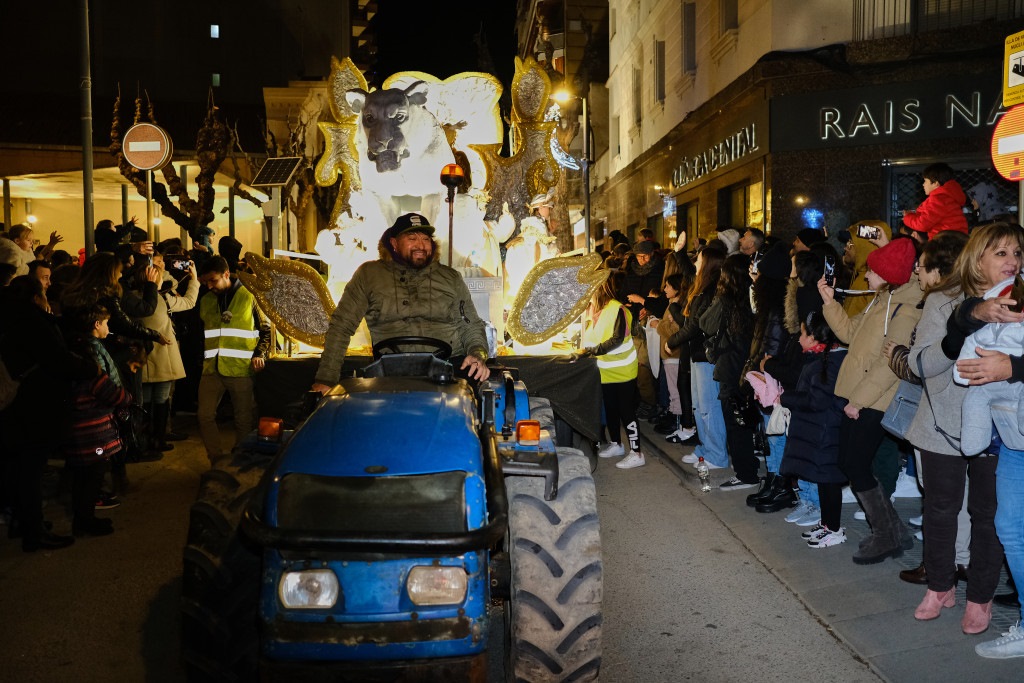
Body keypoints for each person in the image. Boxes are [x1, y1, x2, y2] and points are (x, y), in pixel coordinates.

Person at [888, 227, 1004, 635]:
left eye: (1017, 253)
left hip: (998, 428)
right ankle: (940, 587)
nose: (1010, 261)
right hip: (940, 425)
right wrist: (958, 335)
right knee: (939, 511)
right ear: (976, 257)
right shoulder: (942, 300)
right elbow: (920, 364)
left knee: (986, 516)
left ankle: (981, 598)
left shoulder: (1018, 301)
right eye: (999, 252)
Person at [818, 237, 922, 564]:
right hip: (861, 394)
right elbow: (850, 334)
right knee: (853, 463)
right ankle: (893, 531)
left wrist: (858, 401)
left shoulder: (904, 308)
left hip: (875, 398)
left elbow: (889, 363)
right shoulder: (883, 298)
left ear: (888, 273)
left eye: (872, 270)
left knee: (855, 464)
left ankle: (885, 535)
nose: (866, 276)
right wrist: (830, 302)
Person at [313, 213, 490, 392]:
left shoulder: (450, 277)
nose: (420, 245)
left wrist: (477, 354)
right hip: (390, 371)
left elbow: (471, 325)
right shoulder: (369, 274)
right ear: (394, 243)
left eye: (426, 239)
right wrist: (326, 379)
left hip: (447, 368)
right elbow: (341, 326)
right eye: (412, 238)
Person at [0, 276, 96, 551]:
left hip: (12, 405)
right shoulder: (31, 322)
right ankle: (33, 531)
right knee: (30, 471)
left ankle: (23, 522)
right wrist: (90, 369)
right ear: (35, 298)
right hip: (34, 406)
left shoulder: (9, 318)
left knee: (17, 467)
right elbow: (57, 360)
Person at [778, 312, 848, 547]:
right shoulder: (824, 359)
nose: (799, 339)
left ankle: (835, 529)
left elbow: (817, 400)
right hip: (821, 431)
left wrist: (784, 398)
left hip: (827, 432)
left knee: (829, 482)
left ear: (817, 337)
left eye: (803, 333)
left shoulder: (829, 362)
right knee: (823, 481)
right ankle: (827, 523)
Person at [63, 303, 132, 538]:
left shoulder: (69, 360)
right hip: (94, 433)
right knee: (93, 476)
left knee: (81, 477)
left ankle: (82, 518)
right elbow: (109, 391)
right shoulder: (91, 368)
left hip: (76, 430)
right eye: (106, 322)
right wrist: (126, 398)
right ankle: (86, 520)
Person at [195, 256, 271, 463]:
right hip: (211, 368)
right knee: (204, 415)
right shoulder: (206, 300)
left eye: (213, 280)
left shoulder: (250, 296)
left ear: (226, 274)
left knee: (244, 418)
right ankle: (216, 459)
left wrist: (259, 354)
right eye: (205, 282)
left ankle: (241, 458)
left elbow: (266, 330)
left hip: (241, 368)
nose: (209, 286)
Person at [700, 253, 759, 489]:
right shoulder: (754, 295)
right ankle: (749, 469)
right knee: (745, 419)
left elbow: (705, 323)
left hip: (732, 366)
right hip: (750, 365)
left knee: (735, 422)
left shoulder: (727, 300)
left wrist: (719, 298)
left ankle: (746, 474)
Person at [667, 244, 727, 469]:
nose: (696, 263)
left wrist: (671, 341)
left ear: (709, 263)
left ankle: (717, 454)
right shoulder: (702, 286)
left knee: (709, 407)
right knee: (698, 406)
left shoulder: (712, 289)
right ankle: (705, 448)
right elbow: (689, 273)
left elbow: (694, 326)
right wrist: (679, 252)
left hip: (707, 356)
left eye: (699, 259)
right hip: (697, 354)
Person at [139, 255, 200, 456]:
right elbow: (190, 302)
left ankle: (145, 441)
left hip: (142, 357)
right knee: (162, 398)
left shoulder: (132, 296)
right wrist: (193, 278)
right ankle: (158, 439)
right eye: (157, 266)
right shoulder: (162, 297)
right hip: (163, 354)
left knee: (145, 399)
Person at [582, 274, 645, 469]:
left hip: (623, 370)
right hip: (606, 370)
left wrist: (592, 350)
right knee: (610, 409)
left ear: (600, 289)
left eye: (591, 289)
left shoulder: (617, 309)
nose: (589, 294)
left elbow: (616, 339)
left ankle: (637, 452)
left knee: (627, 412)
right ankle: (616, 444)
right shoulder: (596, 310)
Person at [901, 162, 969, 239]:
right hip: (955, 240)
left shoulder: (939, 199)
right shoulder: (948, 197)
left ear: (936, 183)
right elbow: (929, 217)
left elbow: (923, 224)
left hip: (945, 243)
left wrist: (907, 217)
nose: (923, 184)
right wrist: (913, 215)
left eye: (925, 181)